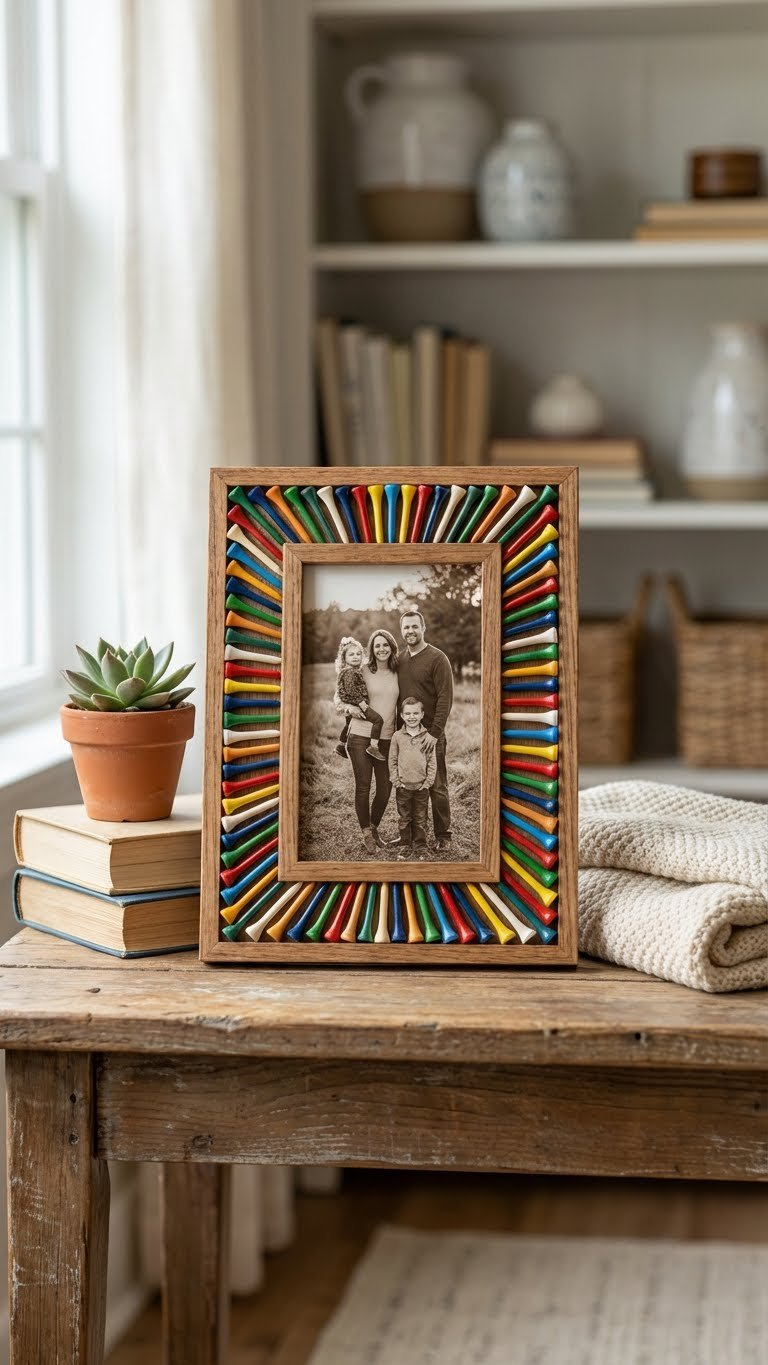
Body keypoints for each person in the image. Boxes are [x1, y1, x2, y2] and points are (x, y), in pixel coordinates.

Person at [334, 628, 400, 854]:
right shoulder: (360, 670)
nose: (381, 649)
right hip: (360, 736)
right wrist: (349, 707)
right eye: (377, 645)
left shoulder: (398, 672)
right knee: (363, 786)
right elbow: (338, 698)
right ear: (371, 649)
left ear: (392, 647)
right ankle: (366, 834)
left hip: (387, 737)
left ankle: (374, 827)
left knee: (385, 787)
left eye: (385, 645)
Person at [396, 608, 453, 852]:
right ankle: (410, 835)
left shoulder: (438, 658)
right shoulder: (400, 660)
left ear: (423, 628)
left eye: (414, 626)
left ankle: (443, 835)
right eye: (406, 627)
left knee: (436, 786)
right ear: (401, 631)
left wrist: (434, 732)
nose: (410, 631)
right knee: (408, 786)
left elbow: (445, 698)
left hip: (430, 735)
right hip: (406, 736)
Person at [388, 697, 436, 859]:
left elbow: (432, 762)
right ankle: (405, 845)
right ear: (402, 715)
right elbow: (392, 761)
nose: (412, 717)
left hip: (422, 787)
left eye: (415, 713)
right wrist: (396, 781)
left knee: (421, 818)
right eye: (408, 713)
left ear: (422, 714)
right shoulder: (397, 737)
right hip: (403, 787)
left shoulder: (427, 737)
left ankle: (421, 846)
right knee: (405, 818)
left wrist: (428, 783)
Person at [334, 636, 385, 762]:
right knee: (378, 720)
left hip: (355, 703)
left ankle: (341, 745)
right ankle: (373, 747)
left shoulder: (352, 670)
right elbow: (350, 691)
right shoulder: (350, 672)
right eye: (351, 654)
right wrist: (360, 703)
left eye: (358, 654)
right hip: (358, 704)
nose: (356, 657)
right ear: (344, 658)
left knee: (348, 723)